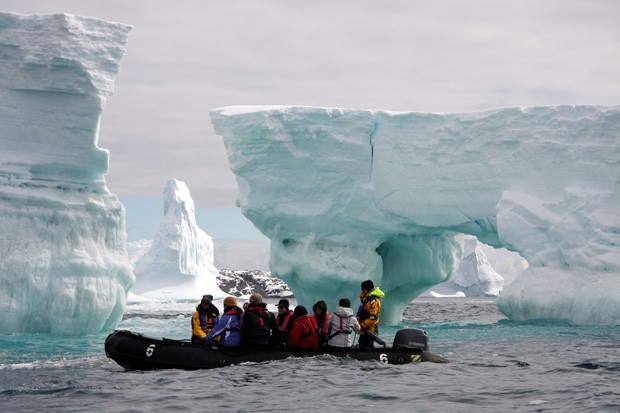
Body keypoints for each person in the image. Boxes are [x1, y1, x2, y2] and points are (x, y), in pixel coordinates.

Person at [356, 280, 385, 349]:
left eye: (362, 289)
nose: (362, 291)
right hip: (364, 329)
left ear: (367, 289)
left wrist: (363, 325)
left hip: (370, 330)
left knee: (367, 346)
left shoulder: (373, 301)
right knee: (362, 344)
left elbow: (373, 318)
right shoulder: (366, 299)